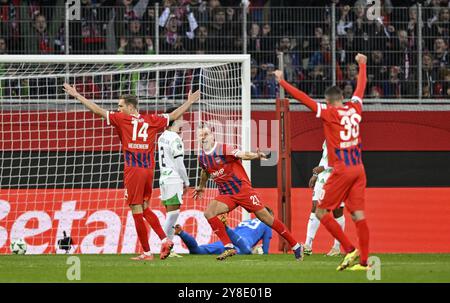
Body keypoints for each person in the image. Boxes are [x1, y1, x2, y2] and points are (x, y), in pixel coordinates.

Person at [63, 82, 200, 261]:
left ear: (130, 107)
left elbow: (97, 110)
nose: (118, 109)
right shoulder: (152, 120)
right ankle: (165, 239)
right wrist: (189, 102)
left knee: (136, 210)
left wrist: (78, 96)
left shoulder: (121, 119)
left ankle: (146, 252)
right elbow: (173, 115)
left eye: (120, 106)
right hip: (148, 170)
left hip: (133, 170)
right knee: (144, 208)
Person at [274, 53, 370, 271]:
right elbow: (360, 88)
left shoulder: (329, 112)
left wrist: (282, 82)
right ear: (342, 98)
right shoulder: (355, 108)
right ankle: (364, 262)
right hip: (359, 169)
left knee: (320, 212)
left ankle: (348, 248)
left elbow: (303, 99)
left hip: (342, 170)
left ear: (328, 101)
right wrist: (362, 65)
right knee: (358, 214)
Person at [193, 125, 303, 261]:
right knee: (209, 213)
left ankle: (296, 245)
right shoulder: (202, 158)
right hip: (227, 195)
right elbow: (205, 171)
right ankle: (229, 247)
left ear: (212, 135)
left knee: (266, 219)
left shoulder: (223, 148)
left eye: (206, 134)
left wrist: (256, 155)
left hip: (243, 190)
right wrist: (201, 186)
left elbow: (242, 154)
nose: (203, 137)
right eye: (200, 135)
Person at [157, 107, 190, 258]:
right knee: (173, 215)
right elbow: (179, 164)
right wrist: (187, 181)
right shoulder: (175, 138)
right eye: (181, 118)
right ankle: (165, 246)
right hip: (173, 179)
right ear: (175, 120)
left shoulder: (162, 136)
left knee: (171, 214)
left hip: (163, 178)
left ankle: (168, 249)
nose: (183, 121)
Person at [304, 140, 345, 257]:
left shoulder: (344, 136)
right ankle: (308, 245)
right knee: (315, 207)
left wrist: (323, 167)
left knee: (337, 211)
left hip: (337, 176)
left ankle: (336, 247)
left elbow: (344, 159)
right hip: (323, 177)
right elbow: (325, 157)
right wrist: (316, 175)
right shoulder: (328, 136)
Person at [174, 209, 273, 255]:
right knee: (246, 251)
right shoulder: (267, 224)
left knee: (197, 251)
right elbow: (266, 249)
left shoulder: (245, 222)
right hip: (243, 244)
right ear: (269, 216)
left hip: (227, 242)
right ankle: (225, 227)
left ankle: (182, 233)